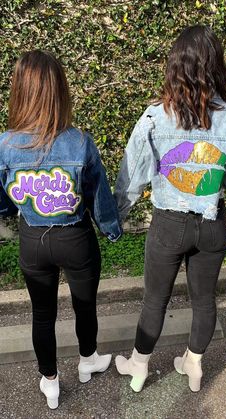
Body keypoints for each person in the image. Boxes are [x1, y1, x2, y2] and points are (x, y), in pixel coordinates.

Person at [114, 25, 226, 393]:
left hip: (169, 224)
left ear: (174, 66)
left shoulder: (154, 116)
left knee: (155, 298)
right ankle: (193, 365)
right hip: (212, 224)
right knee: (204, 299)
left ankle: (138, 367)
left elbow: (132, 177)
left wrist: (115, 217)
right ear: (216, 66)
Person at [0, 50, 122, 409]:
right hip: (76, 238)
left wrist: (13, 208)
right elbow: (99, 196)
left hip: (32, 240)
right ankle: (88, 361)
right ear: (60, 91)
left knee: (42, 313)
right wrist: (111, 228)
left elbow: (3, 199)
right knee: (85, 306)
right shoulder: (80, 142)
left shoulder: (4, 145)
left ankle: (50, 381)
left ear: (19, 91)